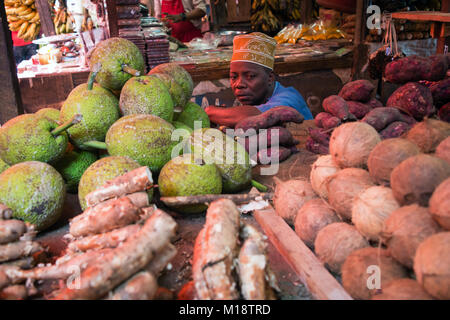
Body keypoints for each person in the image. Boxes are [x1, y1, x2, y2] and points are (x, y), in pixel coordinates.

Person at [205, 32, 313, 128]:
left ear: (270, 78)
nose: (239, 84)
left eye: (250, 76)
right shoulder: (254, 99)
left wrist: (210, 111)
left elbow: (257, 118)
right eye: (234, 77)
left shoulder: (288, 98)